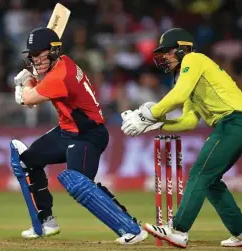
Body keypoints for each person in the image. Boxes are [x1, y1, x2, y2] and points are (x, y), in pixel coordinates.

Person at [121, 28, 242, 248]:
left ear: (183, 48)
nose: (164, 56)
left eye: (168, 51)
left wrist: (150, 114)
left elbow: (177, 96)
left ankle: (178, 230)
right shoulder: (191, 79)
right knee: (210, 180)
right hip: (235, 125)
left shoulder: (194, 59)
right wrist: (157, 124)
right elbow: (189, 121)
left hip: (236, 122)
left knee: (199, 173)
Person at [10, 27, 148, 244]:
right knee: (27, 161)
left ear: (53, 51)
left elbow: (28, 100)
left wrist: (25, 82)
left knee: (78, 183)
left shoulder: (60, 75)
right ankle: (45, 222)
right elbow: (38, 88)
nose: (34, 59)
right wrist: (33, 78)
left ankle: (130, 228)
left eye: (39, 54)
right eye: (32, 55)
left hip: (88, 135)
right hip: (67, 131)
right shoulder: (63, 61)